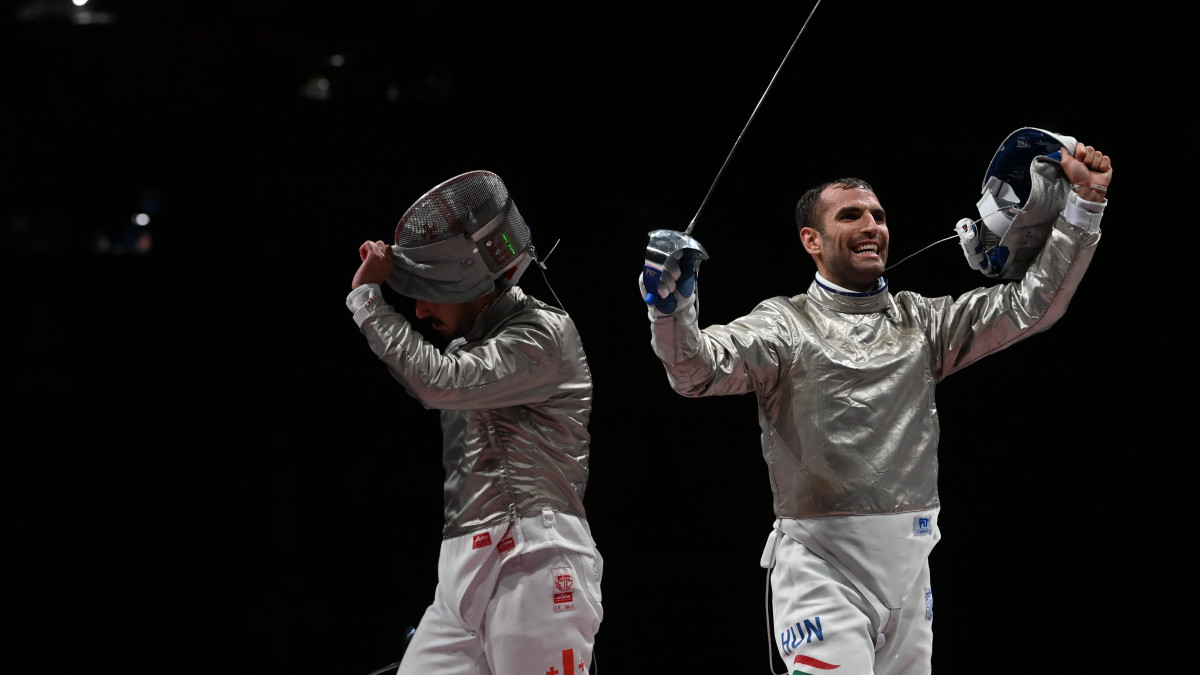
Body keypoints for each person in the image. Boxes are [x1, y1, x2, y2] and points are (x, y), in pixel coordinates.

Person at [638, 136, 1110, 674]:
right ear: (811, 240)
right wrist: (670, 311)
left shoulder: (923, 322)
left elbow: (1032, 307)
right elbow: (695, 372)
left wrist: (1085, 202)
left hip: (910, 569)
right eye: (852, 215)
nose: (872, 226)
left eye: (878, 215)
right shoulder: (784, 324)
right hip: (823, 568)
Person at [348, 170, 603, 675]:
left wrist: (367, 301)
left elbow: (437, 383)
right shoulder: (472, 346)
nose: (418, 310)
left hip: (534, 556)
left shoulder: (543, 334)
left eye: (427, 292)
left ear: (468, 283)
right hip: (463, 568)